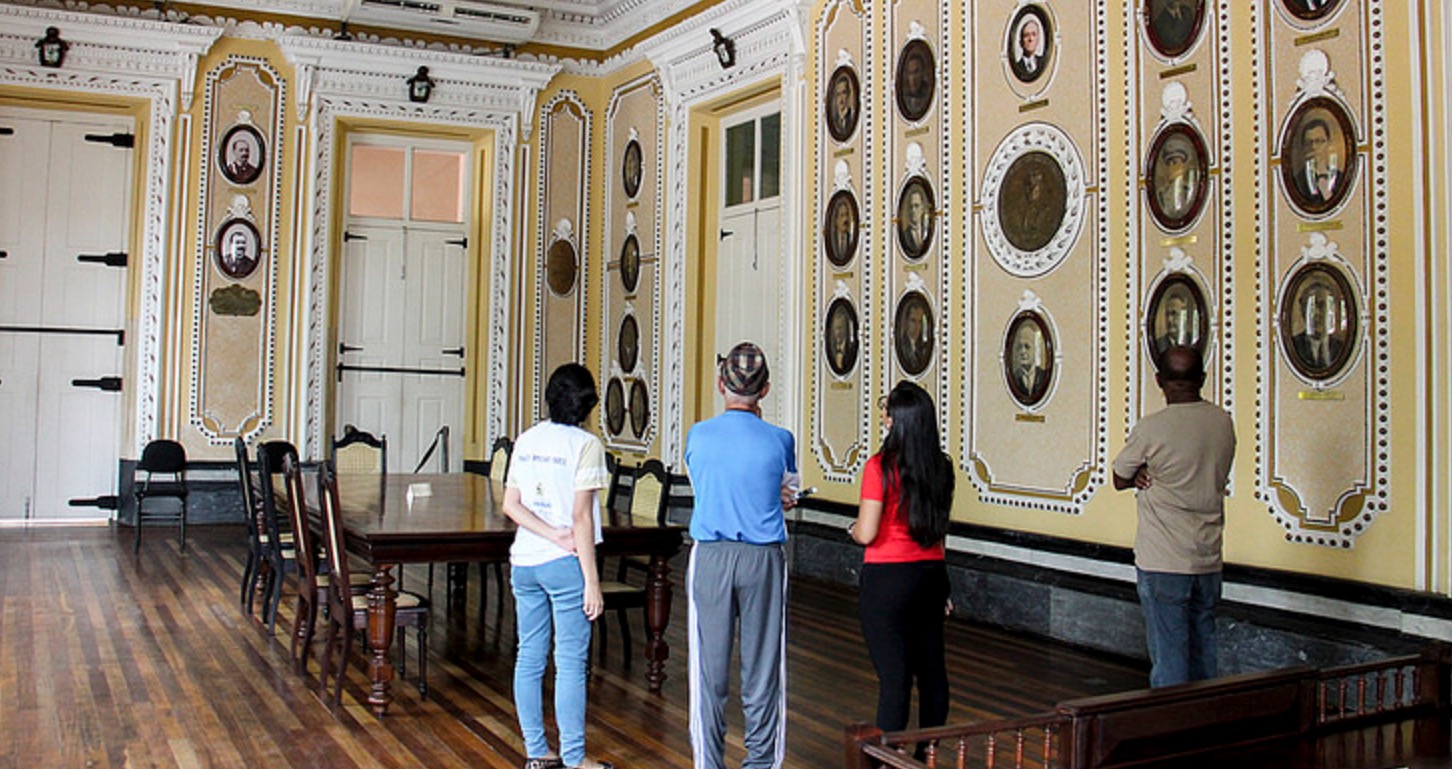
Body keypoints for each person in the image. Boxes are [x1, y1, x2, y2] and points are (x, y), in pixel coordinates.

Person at [684, 341, 799, 769]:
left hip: (711, 556)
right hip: (763, 558)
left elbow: (705, 483)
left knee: (709, 670)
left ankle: (709, 763)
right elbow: (786, 491)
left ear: (720, 385)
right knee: (764, 666)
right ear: (765, 390)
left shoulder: (698, 435)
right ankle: (760, 762)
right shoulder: (780, 439)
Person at [501, 363, 614, 769]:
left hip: (524, 562)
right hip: (566, 564)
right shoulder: (586, 445)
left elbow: (510, 505)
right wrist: (592, 581)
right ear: (587, 405)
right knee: (569, 662)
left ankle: (536, 751)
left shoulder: (526, 439)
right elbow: (581, 518)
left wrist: (547, 532)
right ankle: (574, 758)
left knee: (529, 657)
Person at [1112, 346, 1236, 689]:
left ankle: (1171, 731)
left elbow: (1119, 477)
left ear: (1159, 381)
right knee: (1203, 651)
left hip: (1163, 560)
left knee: (1169, 657)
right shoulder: (1222, 422)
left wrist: (1141, 473)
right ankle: (1202, 727)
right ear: (1203, 379)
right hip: (1208, 557)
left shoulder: (1152, 428)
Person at [850, 381, 955, 737]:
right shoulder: (941, 466)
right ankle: (925, 755)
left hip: (888, 578)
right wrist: (944, 587)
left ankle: (888, 759)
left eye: (886, 409)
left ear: (897, 419)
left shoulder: (879, 467)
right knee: (931, 672)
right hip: (931, 574)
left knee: (894, 677)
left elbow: (866, 533)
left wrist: (852, 528)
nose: (883, 414)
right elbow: (939, 531)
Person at [1290, 278, 1343, 371]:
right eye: (1311, 307)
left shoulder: (1340, 349)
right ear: (1303, 311)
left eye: (1321, 305)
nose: (1316, 313)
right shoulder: (1294, 347)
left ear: (1331, 310)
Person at [1298, 117, 1340, 204]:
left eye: (1319, 141)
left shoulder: (1340, 178)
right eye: (1308, 142)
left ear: (1328, 143)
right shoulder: (1298, 182)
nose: (1313, 147)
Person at [1155, 140, 1199, 219]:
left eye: (1175, 163)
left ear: (1182, 166)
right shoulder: (1161, 194)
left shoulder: (1188, 192)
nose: (1171, 168)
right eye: (1169, 164)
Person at [1008, 322, 1048, 401]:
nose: (1023, 351)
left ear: (1036, 349)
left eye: (1027, 346)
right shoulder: (1013, 378)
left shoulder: (1044, 375)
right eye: (1020, 347)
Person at [899, 184, 932, 256]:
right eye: (911, 207)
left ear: (922, 208)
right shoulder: (906, 235)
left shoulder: (927, 230)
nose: (913, 210)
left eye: (916, 206)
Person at [1014, 14, 1046, 80]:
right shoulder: (1016, 67)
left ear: (1038, 39)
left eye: (1034, 34)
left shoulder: (1044, 63)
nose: (1030, 39)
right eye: (1026, 35)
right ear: (1021, 42)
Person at [829, 70, 858, 140]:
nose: (841, 98)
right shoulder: (835, 120)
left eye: (843, 93)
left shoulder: (851, 116)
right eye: (838, 94)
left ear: (848, 94)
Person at [829, 195, 857, 265]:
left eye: (846, 215)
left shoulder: (851, 238)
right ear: (836, 220)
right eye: (842, 215)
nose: (845, 219)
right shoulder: (832, 238)